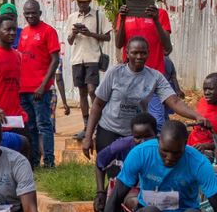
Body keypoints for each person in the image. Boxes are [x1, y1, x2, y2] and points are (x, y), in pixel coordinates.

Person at [82, 36, 211, 158]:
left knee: (135, 175)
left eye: (143, 53)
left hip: (136, 135)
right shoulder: (115, 73)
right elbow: (98, 105)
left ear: (148, 53)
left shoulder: (155, 77)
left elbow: (174, 101)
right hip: (109, 131)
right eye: (134, 53)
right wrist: (88, 136)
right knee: (111, 173)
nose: (139, 56)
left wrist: (196, 116)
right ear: (127, 53)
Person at [17, 0, 61, 168]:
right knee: (30, 126)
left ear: (40, 13)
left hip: (40, 89)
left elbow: (55, 60)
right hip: (23, 89)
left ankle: (49, 162)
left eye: (33, 13)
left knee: (44, 125)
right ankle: (34, 161)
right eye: (27, 13)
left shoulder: (48, 31)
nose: (30, 16)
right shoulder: (24, 32)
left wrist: (43, 85)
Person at [66, 0, 110, 141]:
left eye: (85, 2)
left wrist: (89, 33)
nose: (82, 5)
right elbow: (70, 41)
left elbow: (107, 37)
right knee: (82, 92)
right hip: (77, 59)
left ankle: (96, 123)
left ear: (90, 1)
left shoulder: (99, 16)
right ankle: (86, 126)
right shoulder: (72, 17)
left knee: (92, 90)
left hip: (92, 57)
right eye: (80, 2)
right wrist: (74, 33)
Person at [114, 0, 172, 73]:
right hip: (130, 71)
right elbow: (118, 44)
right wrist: (122, 20)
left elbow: (167, 47)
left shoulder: (161, 14)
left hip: (154, 71)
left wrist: (156, 20)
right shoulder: (124, 15)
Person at [187, 72, 217, 156]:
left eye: (210, 89)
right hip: (192, 145)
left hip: (208, 152)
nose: (206, 93)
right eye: (205, 89)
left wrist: (205, 146)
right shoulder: (203, 101)